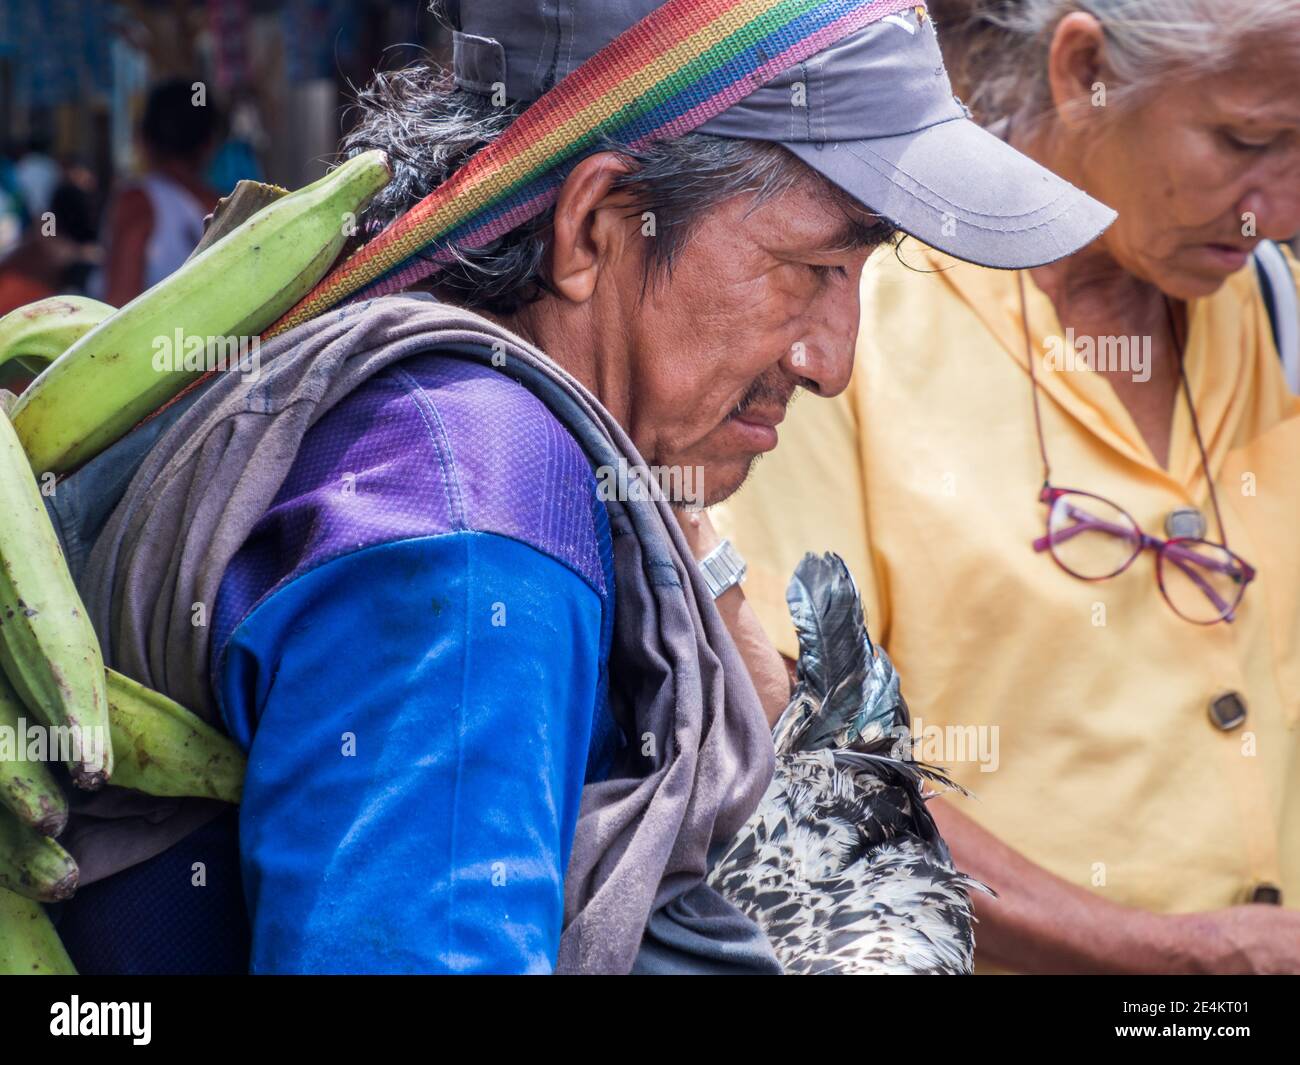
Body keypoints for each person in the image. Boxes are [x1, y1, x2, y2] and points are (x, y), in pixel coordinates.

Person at [33, 0, 1111, 974]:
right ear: (597, 228)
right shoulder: (475, 520)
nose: (831, 359)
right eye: (814, 268)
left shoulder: (464, 442)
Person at [713, 0, 1300, 974]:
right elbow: (800, 763)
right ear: (1081, 71)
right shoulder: (851, 320)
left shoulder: (1272, 307)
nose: (1277, 206)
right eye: (1245, 139)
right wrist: (1165, 958)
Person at [100, 79, 221, 306]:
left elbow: (118, 303)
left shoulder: (137, 202)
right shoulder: (228, 206)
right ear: (209, 143)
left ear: (144, 140)